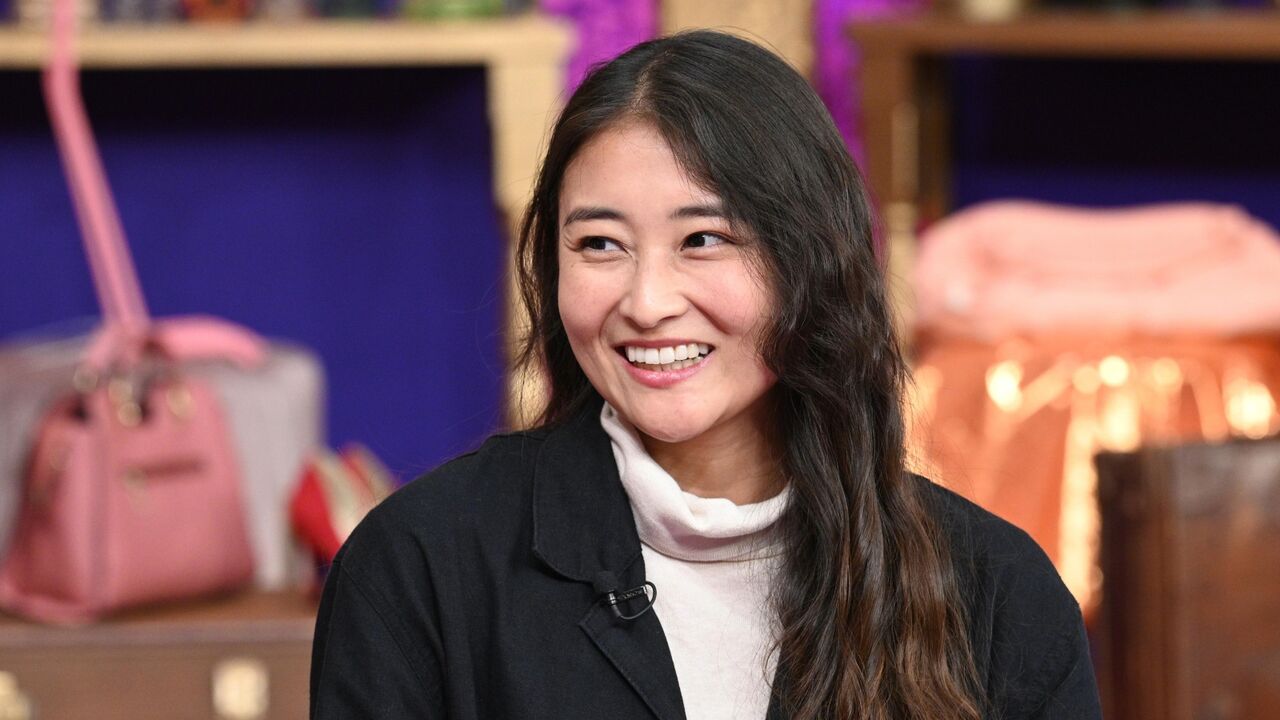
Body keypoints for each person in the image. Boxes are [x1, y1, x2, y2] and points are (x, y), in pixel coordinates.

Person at [309, 30, 1101, 720]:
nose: (647, 303)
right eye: (599, 245)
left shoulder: (996, 594)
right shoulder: (419, 566)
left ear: (811, 260)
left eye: (703, 240)